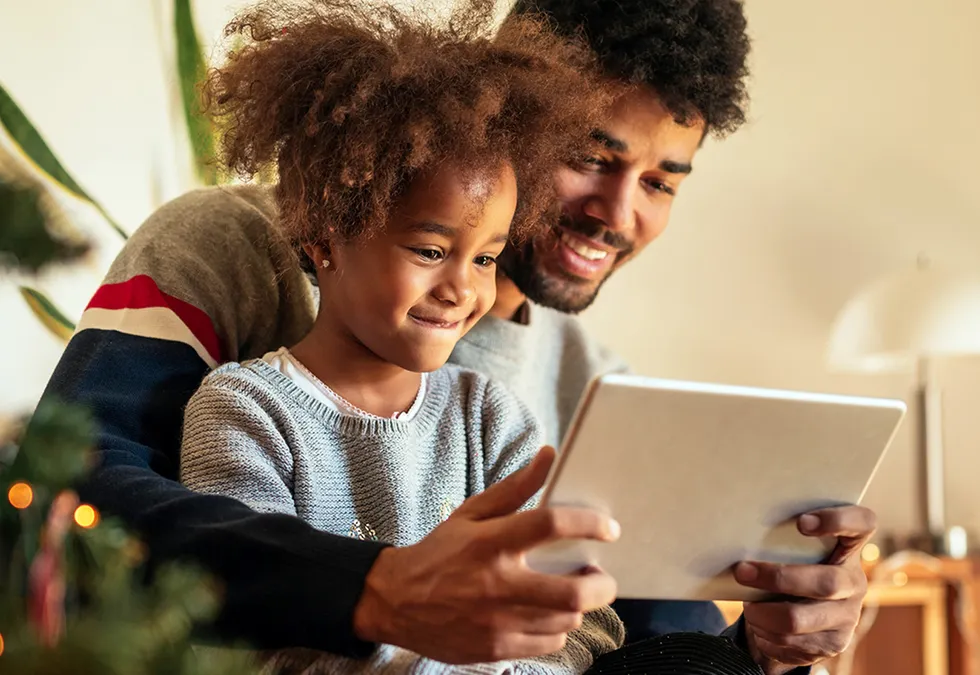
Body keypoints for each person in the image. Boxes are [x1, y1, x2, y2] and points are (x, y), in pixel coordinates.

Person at [42, 0, 875, 673]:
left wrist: (760, 645)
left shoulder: (594, 388)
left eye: (660, 181)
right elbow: (62, 499)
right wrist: (372, 591)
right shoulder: (230, 248)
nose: (618, 215)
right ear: (514, 116)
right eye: (591, 155)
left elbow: (641, 645)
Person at [177, 3, 623, 673]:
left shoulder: (490, 419)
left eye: (485, 257)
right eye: (429, 248)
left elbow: (574, 626)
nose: (463, 288)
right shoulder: (244, 411)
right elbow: (253, 634)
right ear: (325, 237)